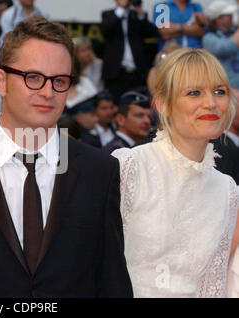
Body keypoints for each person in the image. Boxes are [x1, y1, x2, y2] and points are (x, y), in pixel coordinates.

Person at [0, 16, 132, 297]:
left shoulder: (100, 171)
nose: (47, 92)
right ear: (1, 82)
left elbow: (111, 281)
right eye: (33, 78)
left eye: (60, 81)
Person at [112, 48, 239, 297]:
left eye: (219, 91)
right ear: (162, 104)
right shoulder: (129, 166)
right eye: (194, 92)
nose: (210, 103)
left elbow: (216, 283)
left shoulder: (228, 191)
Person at [100, 0, 156, 103]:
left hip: (137, 72)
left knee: (139, 102)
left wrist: (140, 13)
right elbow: (105, 30)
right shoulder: (108, 14)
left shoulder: (136, 14)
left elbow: (151, 33)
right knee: (117, 103)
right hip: (117, 73)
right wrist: (122, 9)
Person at [202, 0, 239, 90]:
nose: (231, 17)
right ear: (218, 19)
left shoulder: (234, 32)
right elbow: (227, 47)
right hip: (227, 91)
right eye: (228, 15)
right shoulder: (208, 38)